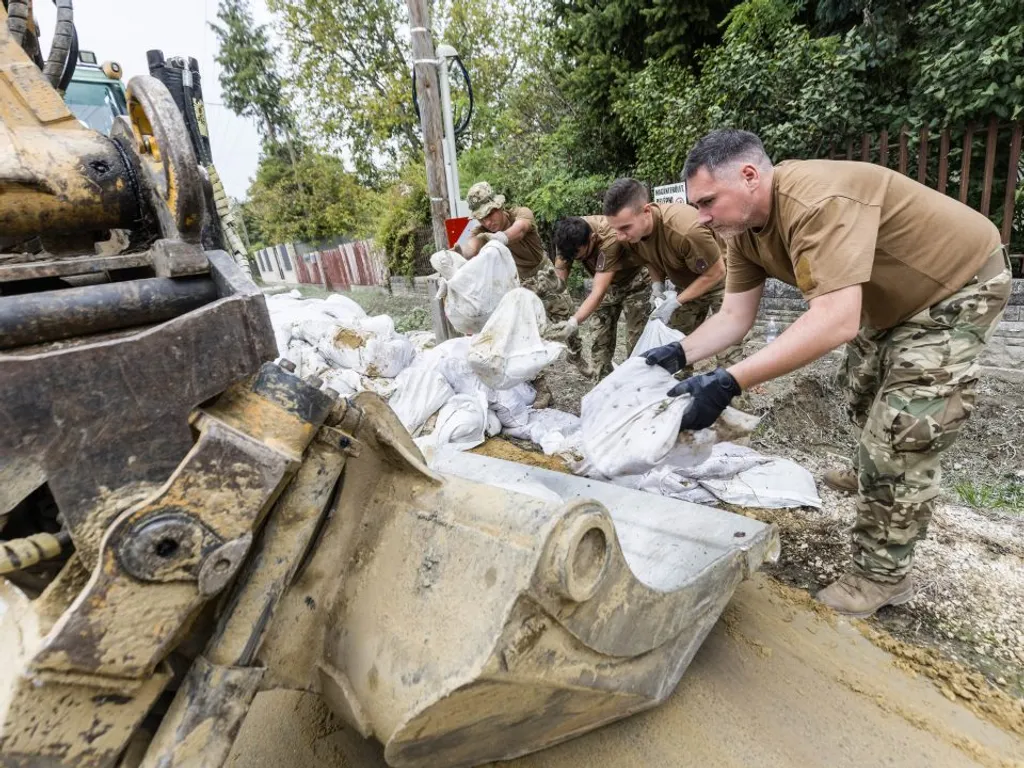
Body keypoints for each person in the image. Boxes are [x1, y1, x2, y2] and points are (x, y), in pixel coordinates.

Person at [642, 128, 1011, 617]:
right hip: (885, 306)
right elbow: (734, 317)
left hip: (957, 286)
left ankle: (880, 577)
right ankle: (870, 473)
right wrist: (678, 354)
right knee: (861, 394)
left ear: (750, 176)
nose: (701, 216)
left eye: (708, 201)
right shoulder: (740, 230)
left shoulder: (815, 201)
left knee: (901, 432)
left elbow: (834, 321)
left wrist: (729, 383)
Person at [461, 181, 588, 391]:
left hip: (544, 274)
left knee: (567, 320)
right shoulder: (481, 232)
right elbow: (470, 248)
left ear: (499, 207)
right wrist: (453, 256)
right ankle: (541, 388)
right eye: (482, 217)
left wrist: (500, 238)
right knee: (523, 335)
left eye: (491, 213)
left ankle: (576, 355)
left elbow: (520, 230)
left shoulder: (521, 213)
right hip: (518, 286)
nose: (488, 221)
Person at [602, 179, 742, 367]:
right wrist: (657, 285)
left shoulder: (685, 230)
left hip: (723, 284)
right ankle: (678, 393)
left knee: (728, 356)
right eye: (615, 229)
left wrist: (676, 301)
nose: (619, 236)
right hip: (687, 287)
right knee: (674, 352)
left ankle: (732, 391)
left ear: (646, 211)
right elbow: (649, 259)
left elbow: (716, 272)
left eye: (625, 227)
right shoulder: (629, 237)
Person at [550, 215, 650, 378]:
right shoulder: (567, 240)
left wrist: (573, 322)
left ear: (593, 238)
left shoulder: (610, 237)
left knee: (637, 344)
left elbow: (598, 292)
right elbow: (561, 276)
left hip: (635, 283)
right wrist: (553, 285)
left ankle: (636, 387)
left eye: (580, 257)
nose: (576, 260)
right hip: (606, 285)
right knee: (599, 342)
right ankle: (602, 386)